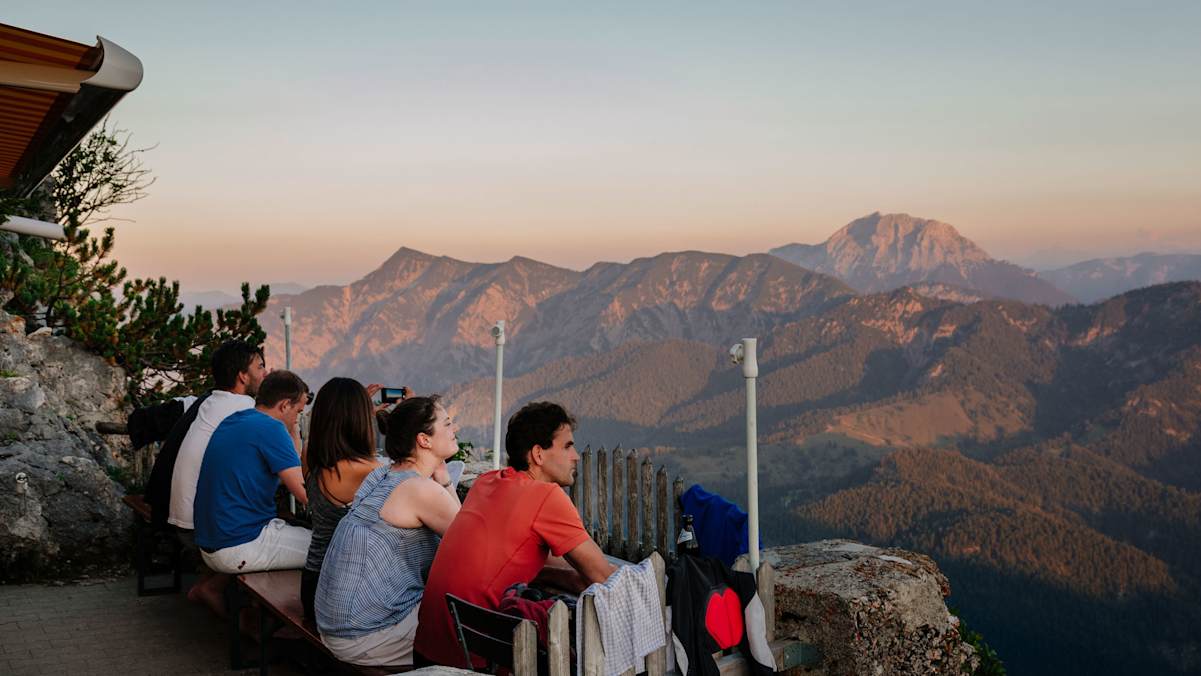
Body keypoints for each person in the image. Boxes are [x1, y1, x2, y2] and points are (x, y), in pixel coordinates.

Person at [415, 401, 616, 668]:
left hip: (427, 651)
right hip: (473, 661)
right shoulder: (546, 496)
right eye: (567, 446)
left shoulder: (487, 481)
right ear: (538, 454)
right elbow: (603, 577)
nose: (576, 455)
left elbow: (510, 553)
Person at [315, 395, 462, 667]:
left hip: (336, 624)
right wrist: (445, 484)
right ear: (424, 440)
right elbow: (470, 543)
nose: (455, 430)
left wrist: (442, 479)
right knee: (477, 632)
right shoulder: (420, 489)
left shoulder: (382, 475)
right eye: (448, 423)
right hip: (366, 635)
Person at [193, 370, 312, 574]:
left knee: (300, 532)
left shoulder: (235, 419)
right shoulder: (272, 429)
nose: (297, 418)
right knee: (331, 547)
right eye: (298, 411)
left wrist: (292, 429)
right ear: (284, 405)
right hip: (240, 545)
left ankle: (231, 597)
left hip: (211, 543)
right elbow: (305, 494)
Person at [145, 340, 266, 528]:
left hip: (167, 507)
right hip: (194, 524)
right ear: (242, 376)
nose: (265, 374)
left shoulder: (208, 402)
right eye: (260, 367)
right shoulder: (242, 408)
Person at [300, 378, 387, 622]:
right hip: (346, 591)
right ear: (361, 420)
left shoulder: (310, 454)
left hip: (312, 580)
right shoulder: (373, 471)